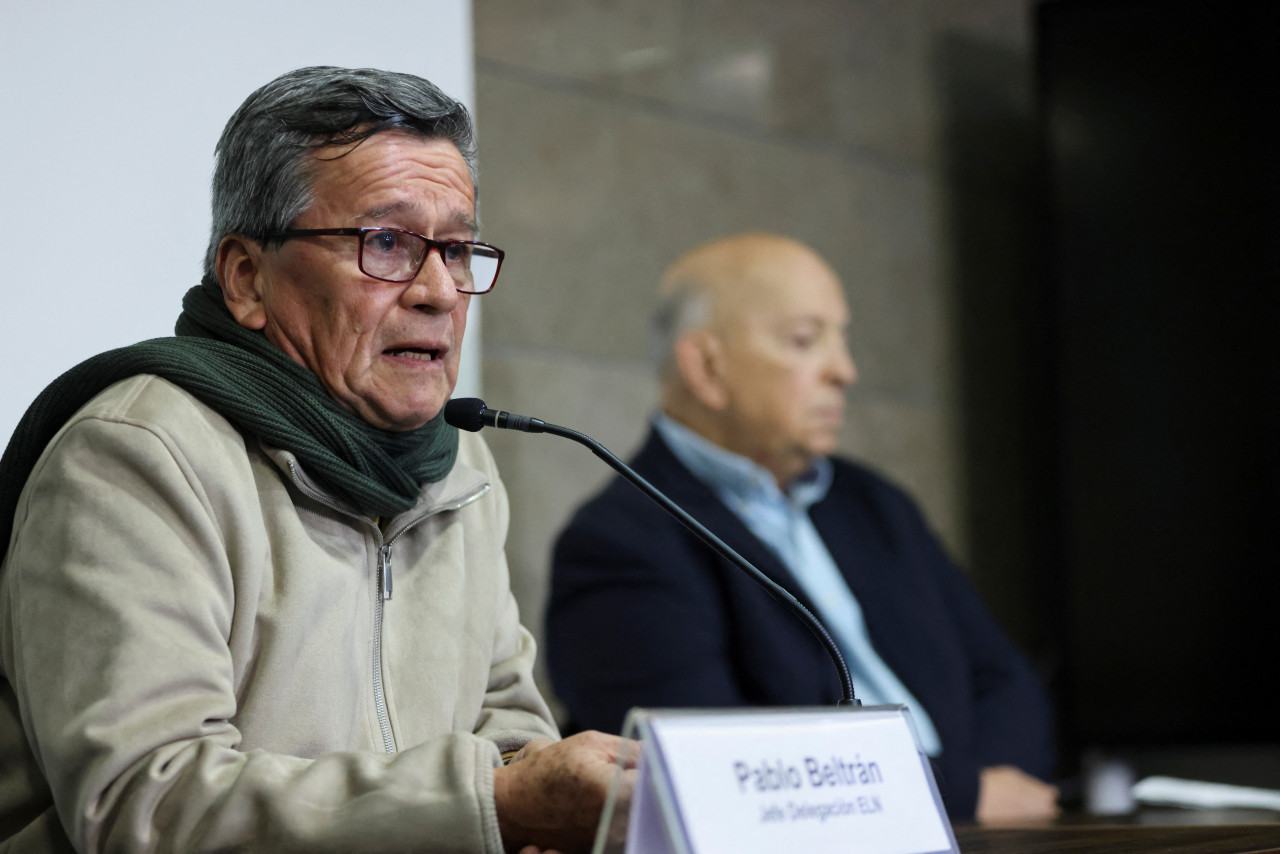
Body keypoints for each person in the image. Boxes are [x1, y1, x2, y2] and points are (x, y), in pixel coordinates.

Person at [0, 66, 627, 854]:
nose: (438, 291)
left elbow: (506, 729)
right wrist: (492, 804)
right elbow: (144, 805)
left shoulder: (458, 471)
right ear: (247, 278)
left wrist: (542, 789)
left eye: (459, 250)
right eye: (387, 243)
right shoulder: (138, 456)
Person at [545, 232, 1059, 824]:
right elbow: (716, 778)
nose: (845, 371)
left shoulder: (874, 503)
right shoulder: (620, 543)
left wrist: (998, 793)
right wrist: (962, 798)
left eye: (842, 340)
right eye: (805, 341)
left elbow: (1005, 680)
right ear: (707, 367)